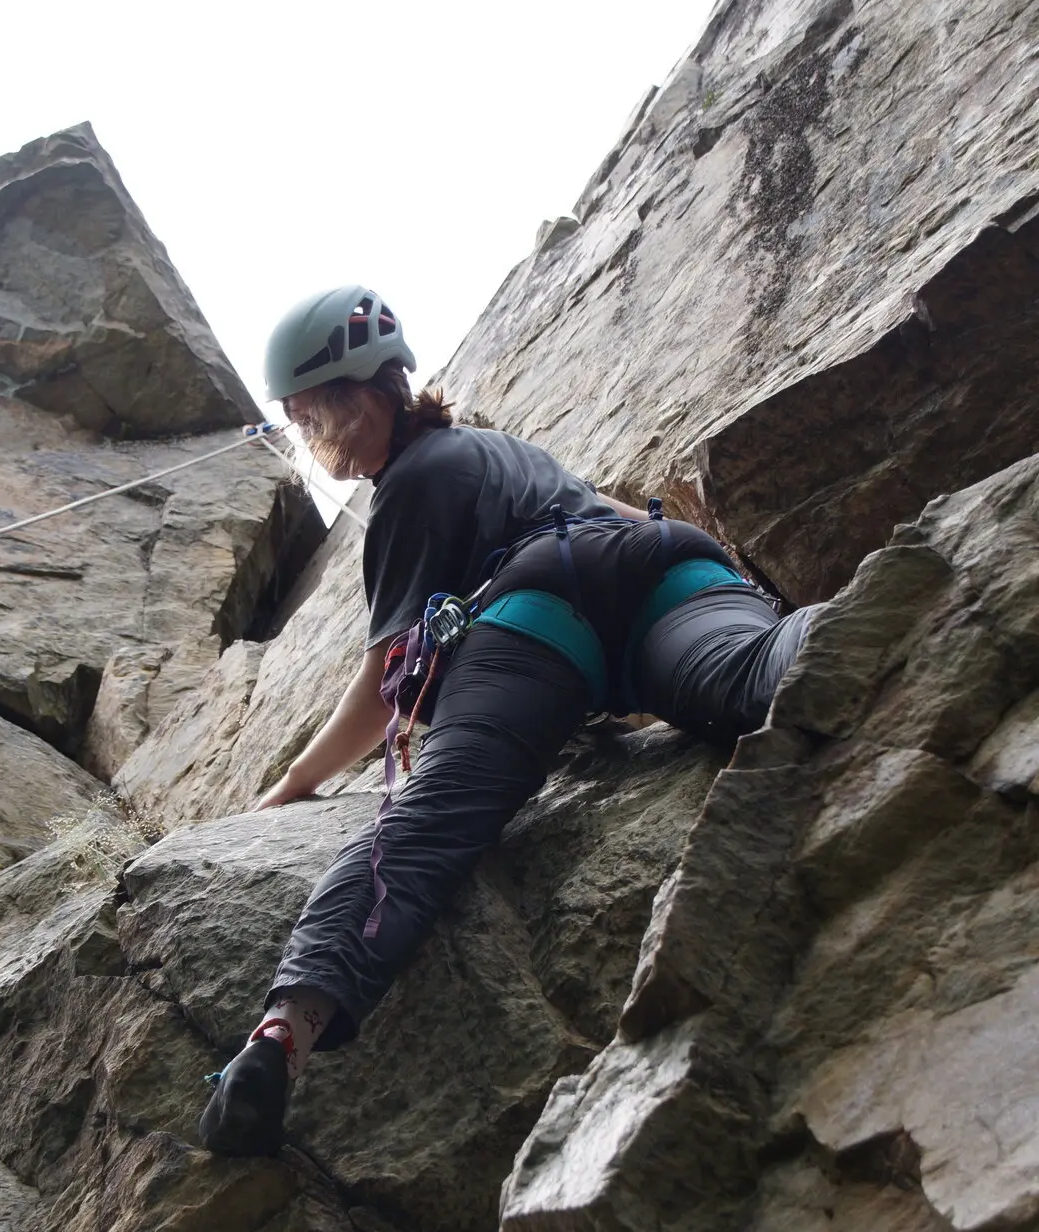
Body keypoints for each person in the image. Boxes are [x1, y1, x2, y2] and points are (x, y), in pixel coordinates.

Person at [198, 285, 819, 1156]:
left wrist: (293, 784)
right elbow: (604, 521)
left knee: (434, 815)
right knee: (749, 676)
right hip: (663, 569)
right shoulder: (498, 450)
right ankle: (873, 606)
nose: (309, 436)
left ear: (365, 398)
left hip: (536, 617)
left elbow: (387, 685)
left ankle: (281, 1037)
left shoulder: (411, 485)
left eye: (311, 415)